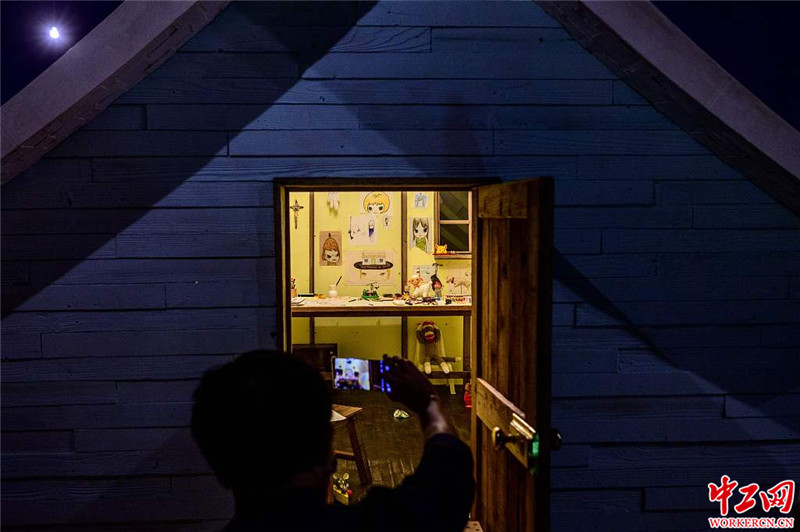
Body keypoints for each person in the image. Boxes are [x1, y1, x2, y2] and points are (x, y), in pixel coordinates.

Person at [191, 350, 475, 532]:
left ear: (218, 465)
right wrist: (428, 402)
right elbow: (448, 473)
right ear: (329, 450)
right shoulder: (388, 524)